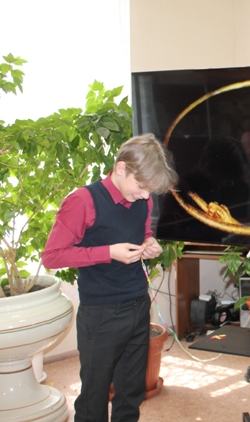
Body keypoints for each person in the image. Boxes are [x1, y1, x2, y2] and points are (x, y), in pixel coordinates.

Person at [42, 133, 178, 422]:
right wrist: (108, 252)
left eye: (150, 191)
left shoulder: (141, 199)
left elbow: (142, 232)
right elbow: (52, 256)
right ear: (121, 168)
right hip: (101, 314)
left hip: (138, 305)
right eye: (141, 187)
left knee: (131, 393)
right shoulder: (82, 201)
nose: (145, 196)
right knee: (94, 397)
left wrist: (149, 243)